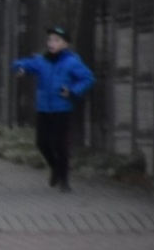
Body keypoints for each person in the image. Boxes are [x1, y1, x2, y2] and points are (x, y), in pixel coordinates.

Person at [13, 27, 95, 192]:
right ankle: (55, 168)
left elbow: (88, 78)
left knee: (60, 144)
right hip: (44, 108)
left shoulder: (72, 62)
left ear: (65, 44)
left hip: (61, 109)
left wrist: (72, 90)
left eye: (56, 40)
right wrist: (19, 68)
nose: (51, 43)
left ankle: (64, 180)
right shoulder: (42, 60)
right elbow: (23, 64)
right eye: (50, 40)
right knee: (42, 142)